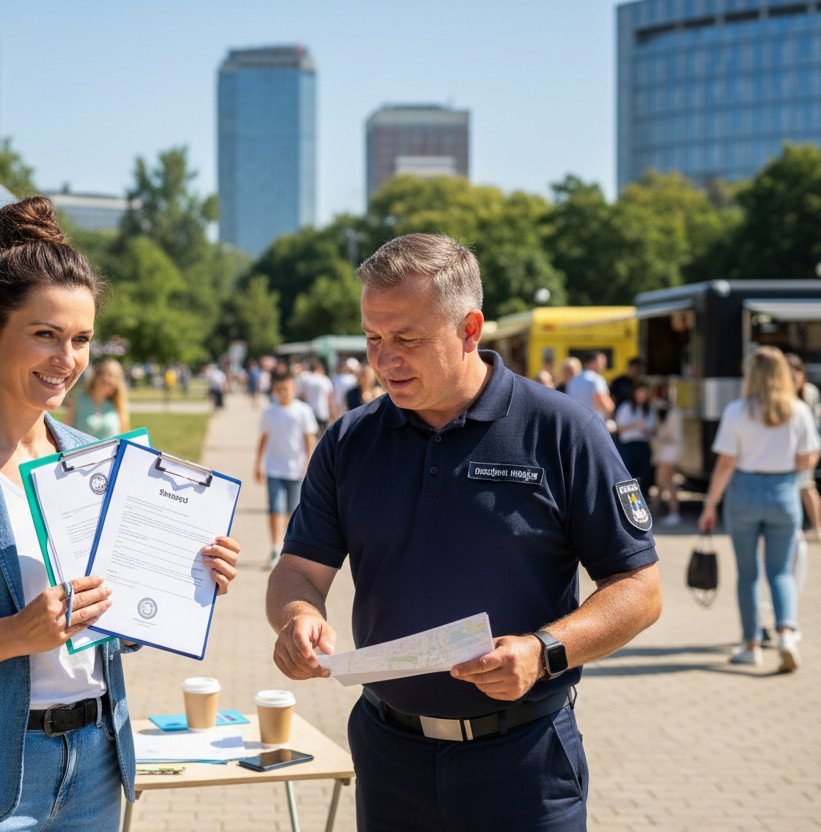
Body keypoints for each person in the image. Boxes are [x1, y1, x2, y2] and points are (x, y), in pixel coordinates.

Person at [0, 197, 241, 831]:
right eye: (45, 335)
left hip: (95, 764)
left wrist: (186, 579)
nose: (68, 359)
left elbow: (112, 626)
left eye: (82, 339)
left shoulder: (100, 461)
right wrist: (15, 633)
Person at [266, 233, 662, 831]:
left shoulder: (560, 430)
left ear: (470, 329)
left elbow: (641, 587)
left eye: (407, 339)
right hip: (388, 752)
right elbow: (298, 570)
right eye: (373, 338)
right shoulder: (349, 441)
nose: (384, 359)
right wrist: (297, 617)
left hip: (523, 762)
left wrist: (543, 651)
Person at [698, 346, 820, 672]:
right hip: (784, 490)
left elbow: (725, 463)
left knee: (748, 573)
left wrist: (710, 504)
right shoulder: (798, 410)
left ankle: (751, 643)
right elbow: (808, 458)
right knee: (781, 571)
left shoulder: (738, 410)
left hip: (744, 491)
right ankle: (786, 634)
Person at [255, 370, 318, 569]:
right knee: (275, 509)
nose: (284, 392)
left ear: (294, 389)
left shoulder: (303, 410)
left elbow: (309, 439)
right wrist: (258, 464)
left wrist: (309, 464)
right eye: (280, 389)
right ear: (275, 390)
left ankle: (289, 549)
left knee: (293, 512)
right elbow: (263, 438)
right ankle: (274, 548)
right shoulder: (269, 411)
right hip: (274, 469)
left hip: (296, 470)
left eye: (287, 389)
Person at [787, 353, 821, 541]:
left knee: (806, 484)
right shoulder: (787, 392)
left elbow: (812, 425)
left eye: (796, 374)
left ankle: (818, 527)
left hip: (809, 446)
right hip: (797, 447)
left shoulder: (809, 392)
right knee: (800, 486)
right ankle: (805, 527)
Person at [64, 357, 129, 438]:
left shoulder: (117, 405)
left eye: (112, 376)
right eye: (103, 373)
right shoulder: (77, 400)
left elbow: (124, 436)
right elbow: (65, 432)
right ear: (96, 376)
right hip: (82, 449)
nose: (106, 379)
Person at [615, 381, 657, 498]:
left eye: (645, 392)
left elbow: (653, 429)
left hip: (643, 444)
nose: (643, 395)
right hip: (628, 445)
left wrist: (648, 430)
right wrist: (635, 425)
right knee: (629, 474)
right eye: (641, 392)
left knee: (644, 474)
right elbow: (619, 428)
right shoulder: (626, 407)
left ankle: (643, 498)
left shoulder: (649, 409)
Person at [652, 385, 684, 526]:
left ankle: (673, 512)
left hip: (667, 451)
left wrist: (655, 434)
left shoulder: (663, 411)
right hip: (672, 451)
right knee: (665, 482)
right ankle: (655, 511)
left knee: (665, 482)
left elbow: (666, 435)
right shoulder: (674, 411)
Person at [566, 350, 615, 424]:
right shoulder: (597, 379)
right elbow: (602, 402)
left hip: (576, 422)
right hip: (593, 423)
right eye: (601, 363)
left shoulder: (573, 380)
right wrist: (611, 410)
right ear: (592, 362)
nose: (603, 367)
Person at [298, 360, 334, 434]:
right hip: (323, 411)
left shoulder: (306, 379)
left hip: (309, 410)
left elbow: (302, 396)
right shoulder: (325, 379)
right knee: (323, 435)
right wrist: (332, 413)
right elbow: (329, 397)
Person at [330, 357, 360, 421]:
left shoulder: (335, 379)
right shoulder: (354, 380)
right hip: (352, 413)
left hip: (338, 412)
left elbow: (332, 398)